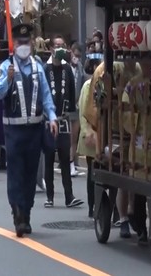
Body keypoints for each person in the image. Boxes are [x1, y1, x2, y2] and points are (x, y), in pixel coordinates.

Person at [0, 24, 59, 237]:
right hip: (13, 132)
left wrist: (52, 117)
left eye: (26, 42)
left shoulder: (38, 66)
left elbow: (46, 95)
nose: (24, 46)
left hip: (34, 130)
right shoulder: (6, 66)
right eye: (20, 43)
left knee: (31, 173)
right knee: (15, 173)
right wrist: (8, 78)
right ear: (15, 44)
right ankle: (17, 212)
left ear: (31, 43)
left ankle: (27, 213)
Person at [43, 35, 83, 208]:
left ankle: (69, 196)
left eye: (62, 45)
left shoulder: (68, 69)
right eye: (56, 45)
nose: (59, 48)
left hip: (64, 118)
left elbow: (73, 93)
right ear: (51, 48)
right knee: (50, 157)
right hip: (49, 120)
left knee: (65, 157)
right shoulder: (46, 69)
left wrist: (72, 114)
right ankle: (50, 196)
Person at [77, 53, 103, 217]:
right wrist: (87, 132)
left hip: (103, 134)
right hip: (92, 133)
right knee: (92, 173)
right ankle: (92, 206)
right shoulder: (88, 85)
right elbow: (84, 111)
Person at [69, 42, 86, 177]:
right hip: (64, 107)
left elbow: (84, 80)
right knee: (65, 138)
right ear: (71, 52)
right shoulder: (64, 66)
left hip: (76, 106)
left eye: (79, 56)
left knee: (74, 137)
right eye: (75, 55)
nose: (77, 58)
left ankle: (71, 164)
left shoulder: (80, 67)